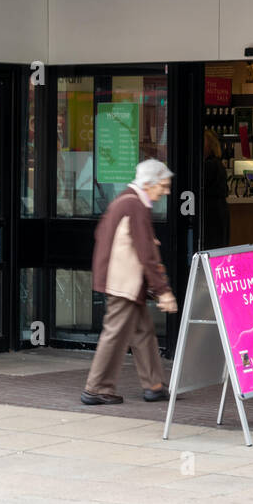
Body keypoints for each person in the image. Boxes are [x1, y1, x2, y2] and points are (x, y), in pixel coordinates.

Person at [81, 158, 179, 405]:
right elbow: (146, 251)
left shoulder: (124, 200)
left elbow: (101, 233)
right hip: (123, 282)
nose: (165, 192)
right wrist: (163, 291)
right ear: (148, 184)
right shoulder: (135, 206)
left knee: (143, 331)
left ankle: (154, 385)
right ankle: (96, 388)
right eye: (163, 186)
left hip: (123, 280)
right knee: (114, 334)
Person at [202, 129, 230, 250]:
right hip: (220, 213)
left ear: (210, 145)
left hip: (211, 215)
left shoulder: (209, 165)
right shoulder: (217, 163)